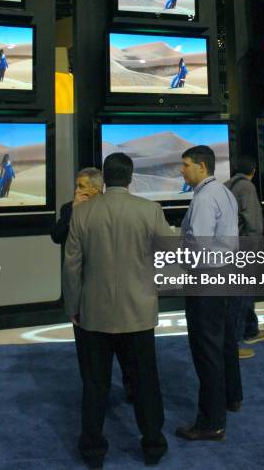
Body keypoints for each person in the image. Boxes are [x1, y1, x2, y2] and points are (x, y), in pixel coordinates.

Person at [62, 153, 172, 468]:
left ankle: (92, 451)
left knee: (95, 384)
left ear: (105, 179)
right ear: (131, 176)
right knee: (146, 382)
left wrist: (74, 307)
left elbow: (72, 268)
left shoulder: (81, 213)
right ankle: (153, 446)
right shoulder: (150, 211)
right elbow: (168, 256)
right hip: (138, 313)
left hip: (93, 315)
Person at [176, 146, 242, 442]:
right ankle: (232, 397)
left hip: (206, 280)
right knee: (225, 341)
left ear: (201, 167)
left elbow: (200, 247)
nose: (181, 170)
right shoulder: (224, 193)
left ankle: (211, 422)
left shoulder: (203, 199)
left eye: (185, 165)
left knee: (207, 351)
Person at [51, 168, 133, 403]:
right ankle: (95, 394)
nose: (77, 190)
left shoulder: (112, 208)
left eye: (81, 186)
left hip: (117, 288)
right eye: (76, 186)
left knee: (126, 349)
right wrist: (73, 214)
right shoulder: (69, 208)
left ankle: (132, 388)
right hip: (83, 291)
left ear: (96, 189)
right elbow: (56, 236)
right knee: (88, 353)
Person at [225, 156, 264, 360]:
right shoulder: (247, 187)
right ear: (253, 171)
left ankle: (251, 329)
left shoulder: (227, 184)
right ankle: (232, 345)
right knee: (240, 297)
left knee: (244, 294)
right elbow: (253, 222)